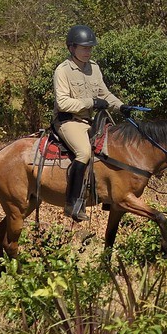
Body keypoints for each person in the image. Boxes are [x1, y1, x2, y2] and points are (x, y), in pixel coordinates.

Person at [52, 24, 124, 222]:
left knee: (114, 147)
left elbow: (105, 94)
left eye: (90, 48)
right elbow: (63, 102)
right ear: (71, 48)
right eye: (84, 48)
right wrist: (90, 102)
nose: (87, 51)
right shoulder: (63, 71)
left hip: (91, 121)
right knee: (84, 152)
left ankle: (110, 196)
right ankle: (73, 203)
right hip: (69, 121)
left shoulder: (94, 67)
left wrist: (121, 106)